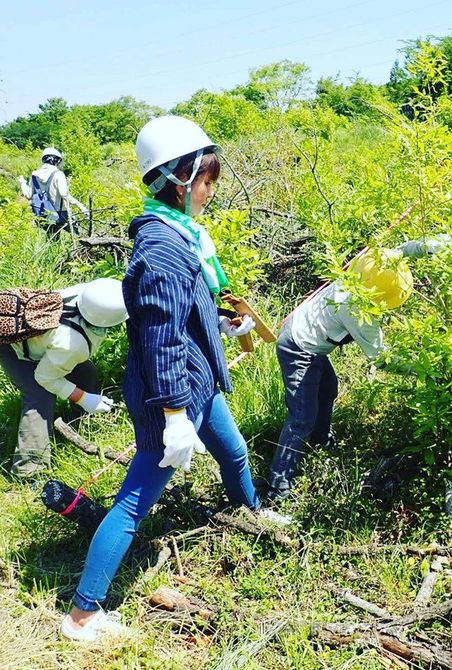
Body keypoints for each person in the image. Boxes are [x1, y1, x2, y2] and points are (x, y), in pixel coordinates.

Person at [61, 115, 282, 642]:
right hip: (175, 397)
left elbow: (187, 310)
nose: (210, 191)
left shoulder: (183, 238)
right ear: (178, 179)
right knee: (135, 501)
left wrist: (226, 324)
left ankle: (252, 511)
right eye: (207, 180)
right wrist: (176, 418)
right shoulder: (161, 251)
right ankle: (82, 615)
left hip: (199, 385)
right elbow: (159, 341)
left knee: (234, 454)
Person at [261, 236, 452, 502]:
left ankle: (321, 440)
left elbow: (398, 253)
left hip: (307, 333)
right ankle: (278, 488)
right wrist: (424, 369)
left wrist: (429, 245)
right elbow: (382, 359)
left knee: (328, 390)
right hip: (298, 347)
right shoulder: (355, 310)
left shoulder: (368, 269)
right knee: (301, 417)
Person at [0, 278, 127, 479]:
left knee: (86, 373)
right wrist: (84, 398)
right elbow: (45, 378)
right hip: (14, 349)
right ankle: (30, 470)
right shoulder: (73, 345)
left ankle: (78, 422)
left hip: (43, 340)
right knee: (39, 397)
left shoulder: (88, 293)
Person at [18, 147, 89, 233]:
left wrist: (22, 182)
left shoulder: (34, 175)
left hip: (43, 214)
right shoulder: (58, 174)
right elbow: (64, 195)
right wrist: (81, 206)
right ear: (56, 160)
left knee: (53, 239)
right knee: (79, 234)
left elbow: (29, 195)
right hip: (60, 213)